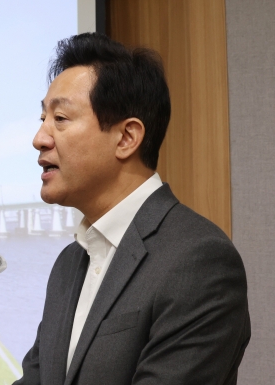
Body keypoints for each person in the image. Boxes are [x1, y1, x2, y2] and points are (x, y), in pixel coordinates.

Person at [14, 33, 250, 385]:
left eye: (60, 118)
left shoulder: (199, 260)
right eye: (42, 118)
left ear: (126, 138)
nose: (40, 138)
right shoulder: (68, 263)